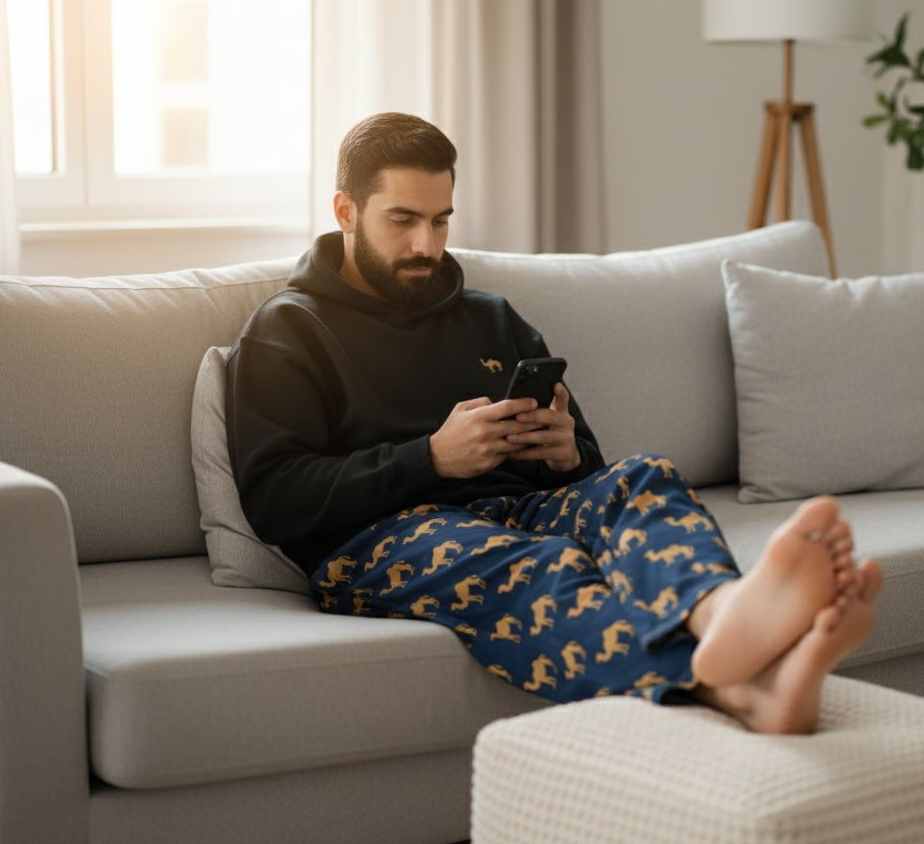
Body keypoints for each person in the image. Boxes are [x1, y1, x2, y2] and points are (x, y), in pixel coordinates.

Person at [226, 112, 882, 735]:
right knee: (544, 567)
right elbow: (276, 498)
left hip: (517, 506)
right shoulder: (288, 329)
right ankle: (739, 689)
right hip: (379, 542)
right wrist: (431, 458)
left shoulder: (491, 319)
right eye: (402, 220)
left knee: (643, 477)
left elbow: (588, 467)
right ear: (346, 211)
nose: (426, 245)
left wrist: (569, 456)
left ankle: (722, 614)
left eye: (440, 221)